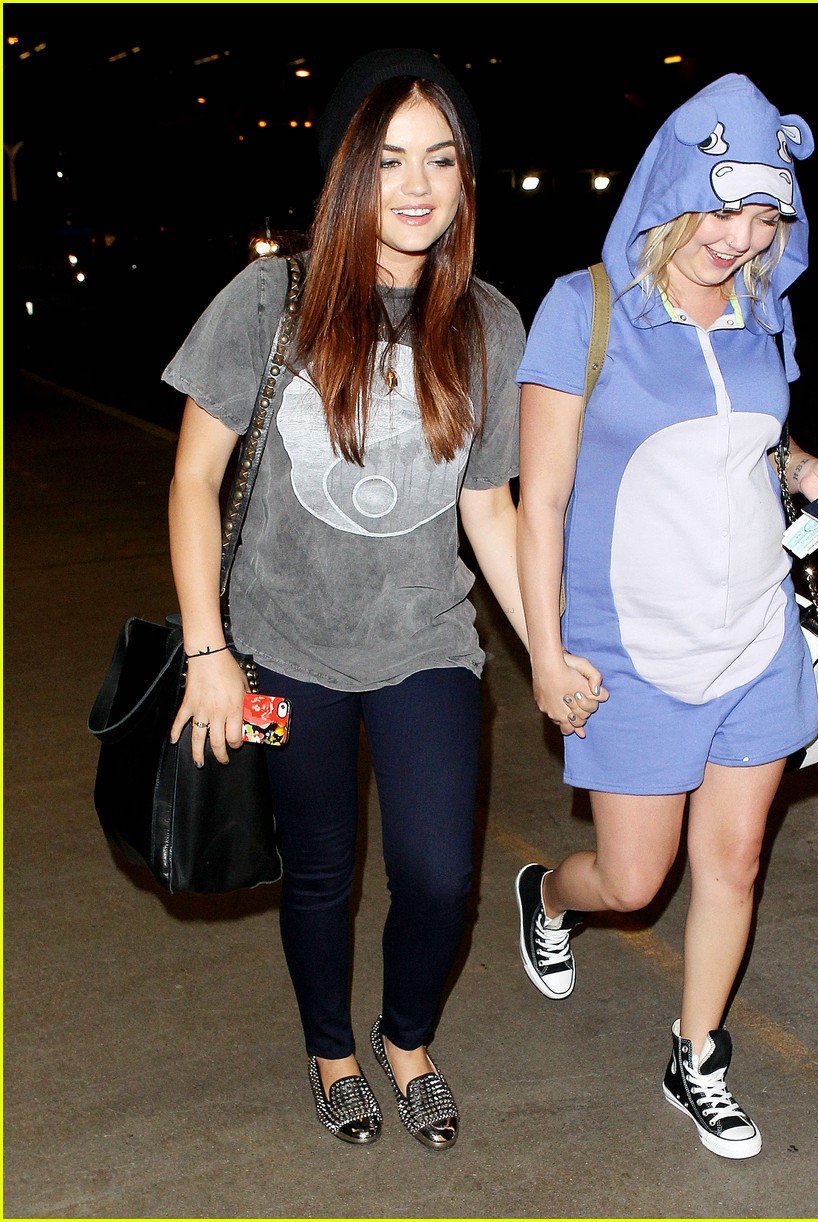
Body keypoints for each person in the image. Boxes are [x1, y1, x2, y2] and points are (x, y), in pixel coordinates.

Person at [162, 48, 598, 1150]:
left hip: (424, 642)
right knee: (319, 869)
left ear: (465, 180)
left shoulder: (486, 323)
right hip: (283, 646)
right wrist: (210, 653)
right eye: (391, 158)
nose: (416, 185)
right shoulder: (273, 299)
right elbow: (192, 480)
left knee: (438, 873)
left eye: (440, 161)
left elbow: (489, 509)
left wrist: (543, 650)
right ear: (349, 170)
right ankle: (332, 1051)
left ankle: (405, 1039)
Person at [513, 74, 818, 1160]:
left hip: (753, 633)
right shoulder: (586, 307)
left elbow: (751, 443)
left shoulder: (767, 311)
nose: (738, 235)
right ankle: (548, 898)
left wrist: (804, 467)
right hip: (628, 647)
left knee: (735, 860)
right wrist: (543, 649)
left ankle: (695, 1050)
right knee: (630, 879)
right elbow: (544, 499)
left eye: (763, 214)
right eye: (720, 206)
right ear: (671, 192)